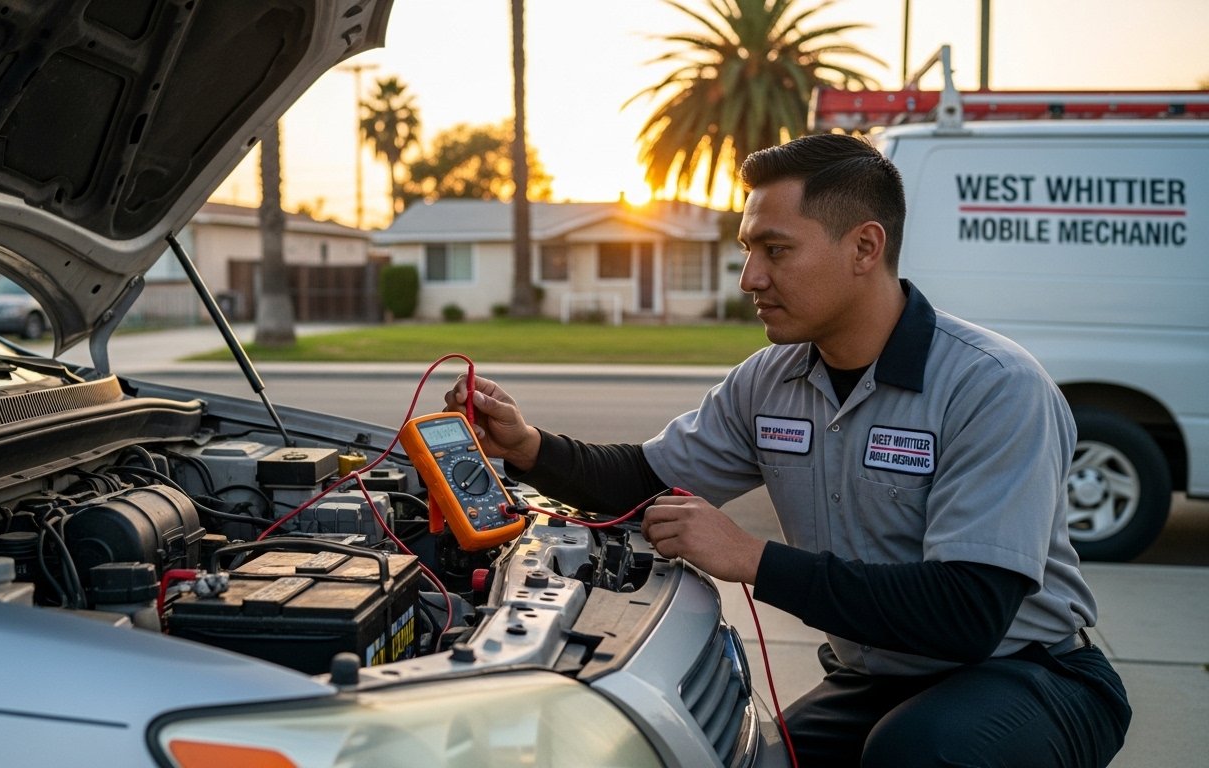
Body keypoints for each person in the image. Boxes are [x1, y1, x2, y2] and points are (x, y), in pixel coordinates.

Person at [445, 133, 1131, 766]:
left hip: (1032, 675)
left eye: (775, 250)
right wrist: (531, 447)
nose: (749, 278)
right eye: (748, 250)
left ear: (865, 248)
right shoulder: (771, 379)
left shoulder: (992, 386)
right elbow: (646, 479)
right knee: (738, 756)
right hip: (879, 680)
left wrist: (752, 559)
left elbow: (966, 613)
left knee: (919, 752)